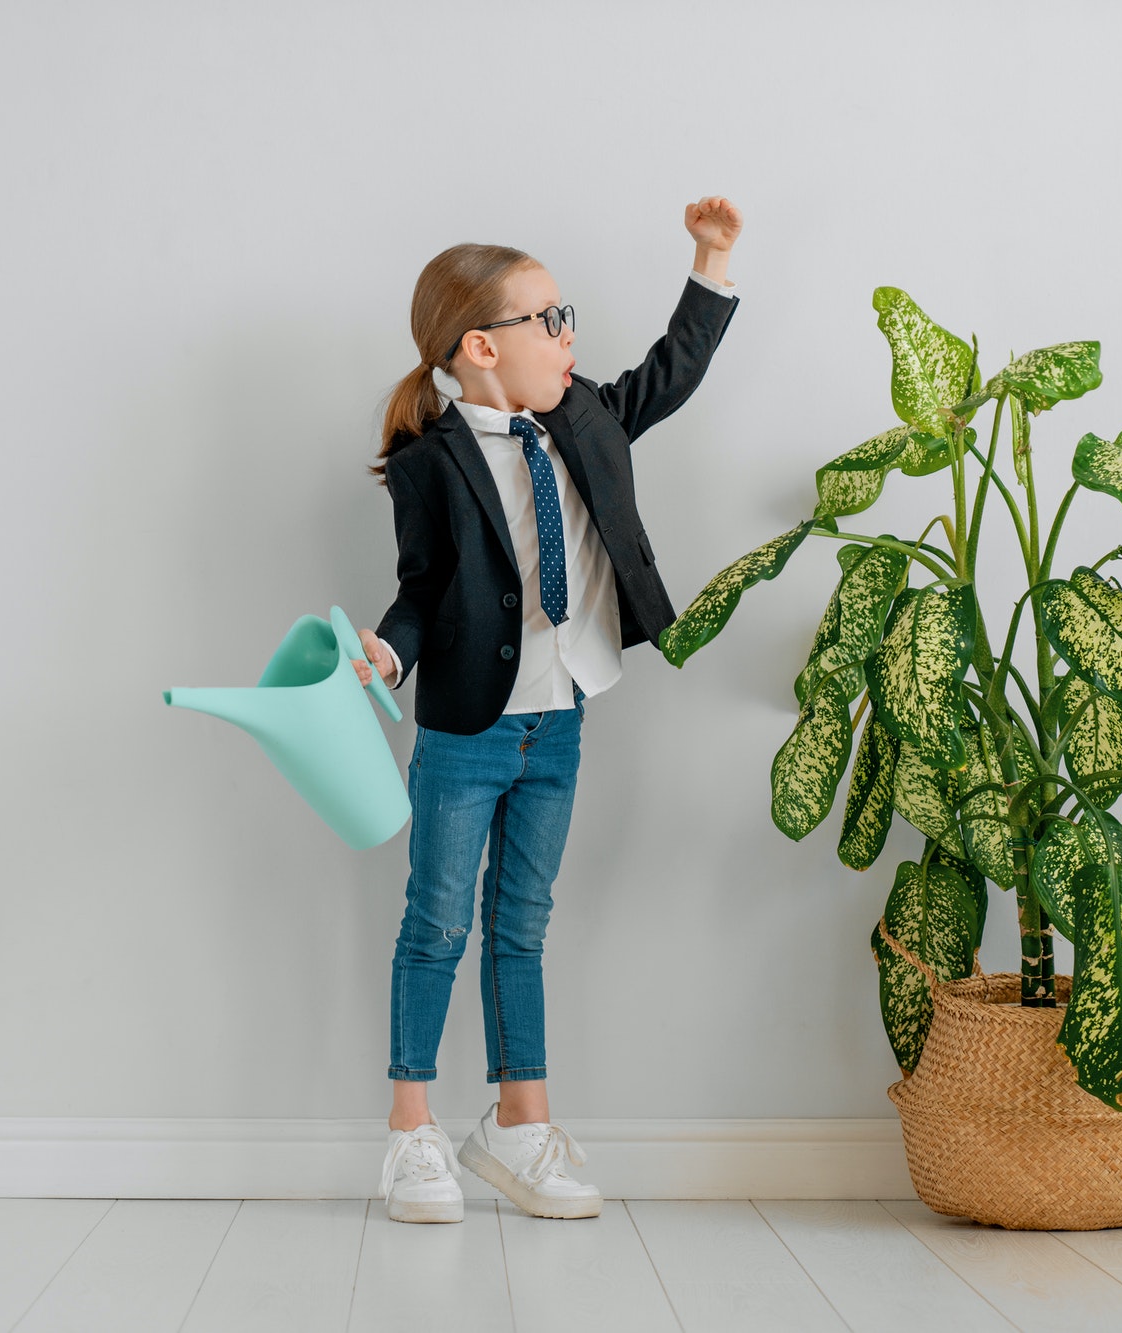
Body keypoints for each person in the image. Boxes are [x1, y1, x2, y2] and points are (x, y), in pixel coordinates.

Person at [352, 198, 744, 1223]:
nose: (569, 336)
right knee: (435, 924)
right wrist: (389, 649)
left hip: (560, 719)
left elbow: (672, 370)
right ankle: (410, 1135)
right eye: (550, 319)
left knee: (519, 927)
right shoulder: (429, 462)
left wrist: (708, 262)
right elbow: (420, 587)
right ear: (481, 347)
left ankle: (518, 1125)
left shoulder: (582, 416)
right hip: (466, 730)